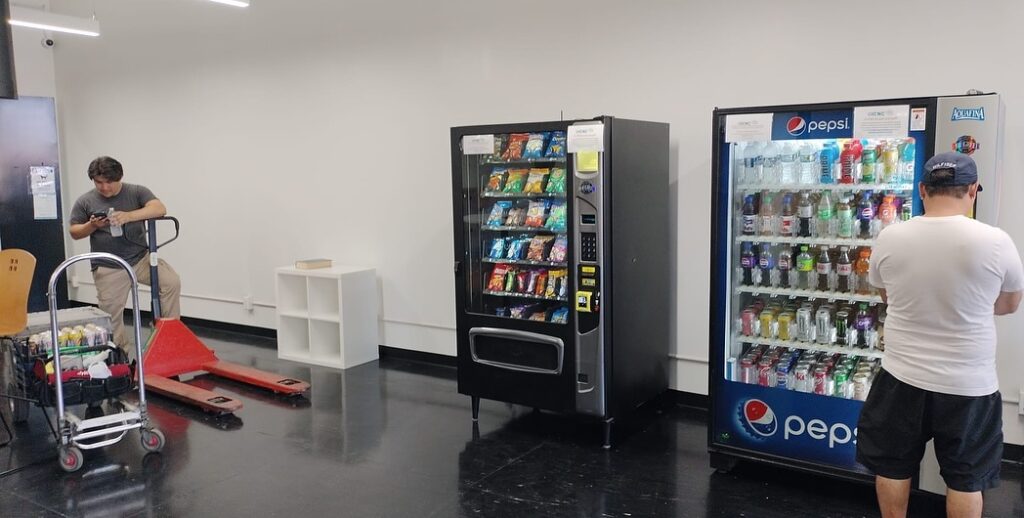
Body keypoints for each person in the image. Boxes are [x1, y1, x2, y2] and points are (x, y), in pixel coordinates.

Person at [856, 152, 1023, 518]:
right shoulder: (996, 242)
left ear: (921, 190)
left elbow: (887, 295)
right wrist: (970, 304)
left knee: (892, 466)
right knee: (966, 478)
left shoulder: (891, 236)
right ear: (973, 190)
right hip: (969, 384)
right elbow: (1010, 304)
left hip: (902, 376)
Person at [68, 156, 181, 350]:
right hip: (109, 266)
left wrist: (129, 216)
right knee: (110, 315)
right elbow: (74, 232)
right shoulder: (85, 201)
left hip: (140, 260)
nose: (104, 187)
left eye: (109, 182)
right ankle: (120, 357)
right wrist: (92, 225)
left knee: (171, 281)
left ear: (119, 177)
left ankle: (168, 338)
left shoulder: (136, 192)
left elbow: (159, 208)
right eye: (99, 182)